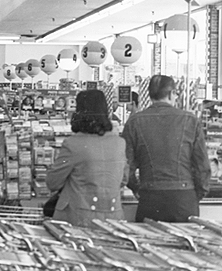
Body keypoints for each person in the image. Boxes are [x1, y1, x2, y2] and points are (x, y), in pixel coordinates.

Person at [122, 75, 211, 222]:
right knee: (186, 243)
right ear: (171, 94)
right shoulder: (190, 120)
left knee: (149, 243)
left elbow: (126, 166)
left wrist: (136, 189)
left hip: (150, 197)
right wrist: (197, 194)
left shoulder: (134, 122)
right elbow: (202, 166)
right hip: (184, 199)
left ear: (149, 94)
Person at [45, 89, 128, 227]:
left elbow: (53, 182)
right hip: (113, 218)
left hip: (77, 218)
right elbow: (123, 179)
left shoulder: (73, 144)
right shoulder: (119, 143)